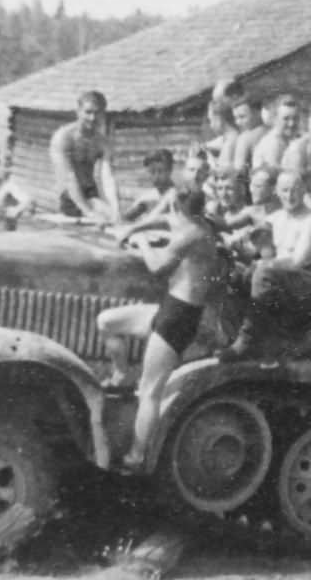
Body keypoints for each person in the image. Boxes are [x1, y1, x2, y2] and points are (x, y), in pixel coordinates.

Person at [95, 189, 226, 469]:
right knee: (107, 321)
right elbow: (166, 220)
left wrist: (141, 243)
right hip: (169, 308)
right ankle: (119, 375)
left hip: (180, 316)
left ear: (178, 207)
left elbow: (157, 267)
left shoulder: (191, 235)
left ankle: (137, 456)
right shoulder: (196, 223)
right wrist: (131, 227)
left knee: (150, 390)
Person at [219, 170, 311, 361]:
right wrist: (232, 246)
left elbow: (297, 261)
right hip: (280, 281)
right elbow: (256, 252)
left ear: (304, 191)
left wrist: (264, 263)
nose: (290, 195)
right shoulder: (275, 218)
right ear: (277, 192)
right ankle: (235, 334)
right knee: (234, 273)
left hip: (304, 285)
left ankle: (246, 340)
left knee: (262, 272)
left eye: (295, 190)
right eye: (285, 190)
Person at [50, 89, 120, 222]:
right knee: (102, 215)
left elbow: (108, 177)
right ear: (78, 111)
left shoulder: (101, 142)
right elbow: (69, 177)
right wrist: (88, 212)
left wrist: (116, 210)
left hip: (91, 194)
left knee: (113, 217)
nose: (92, 118)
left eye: (97, 113)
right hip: (68, 197)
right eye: (88, 112)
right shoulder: (64, 137)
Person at [124, 149, 177, 226]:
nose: (156, 176)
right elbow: (125, 219)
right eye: (152, 172)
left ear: (170, 170)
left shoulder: (179, 196)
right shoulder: (146, 199)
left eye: (160, 171)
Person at [250, 95, 301, 172]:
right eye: (286, 119)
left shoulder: (290, 139)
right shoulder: (273, 144)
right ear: (275, 118)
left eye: (295, 118)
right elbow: (275, 180)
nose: (291, 123)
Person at [225, 95, 269, 174]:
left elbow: (238, 172)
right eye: (236, 118)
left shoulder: (245, 138)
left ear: (257, 112)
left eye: (242, 117)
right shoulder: (273, 130)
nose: (238, 122)